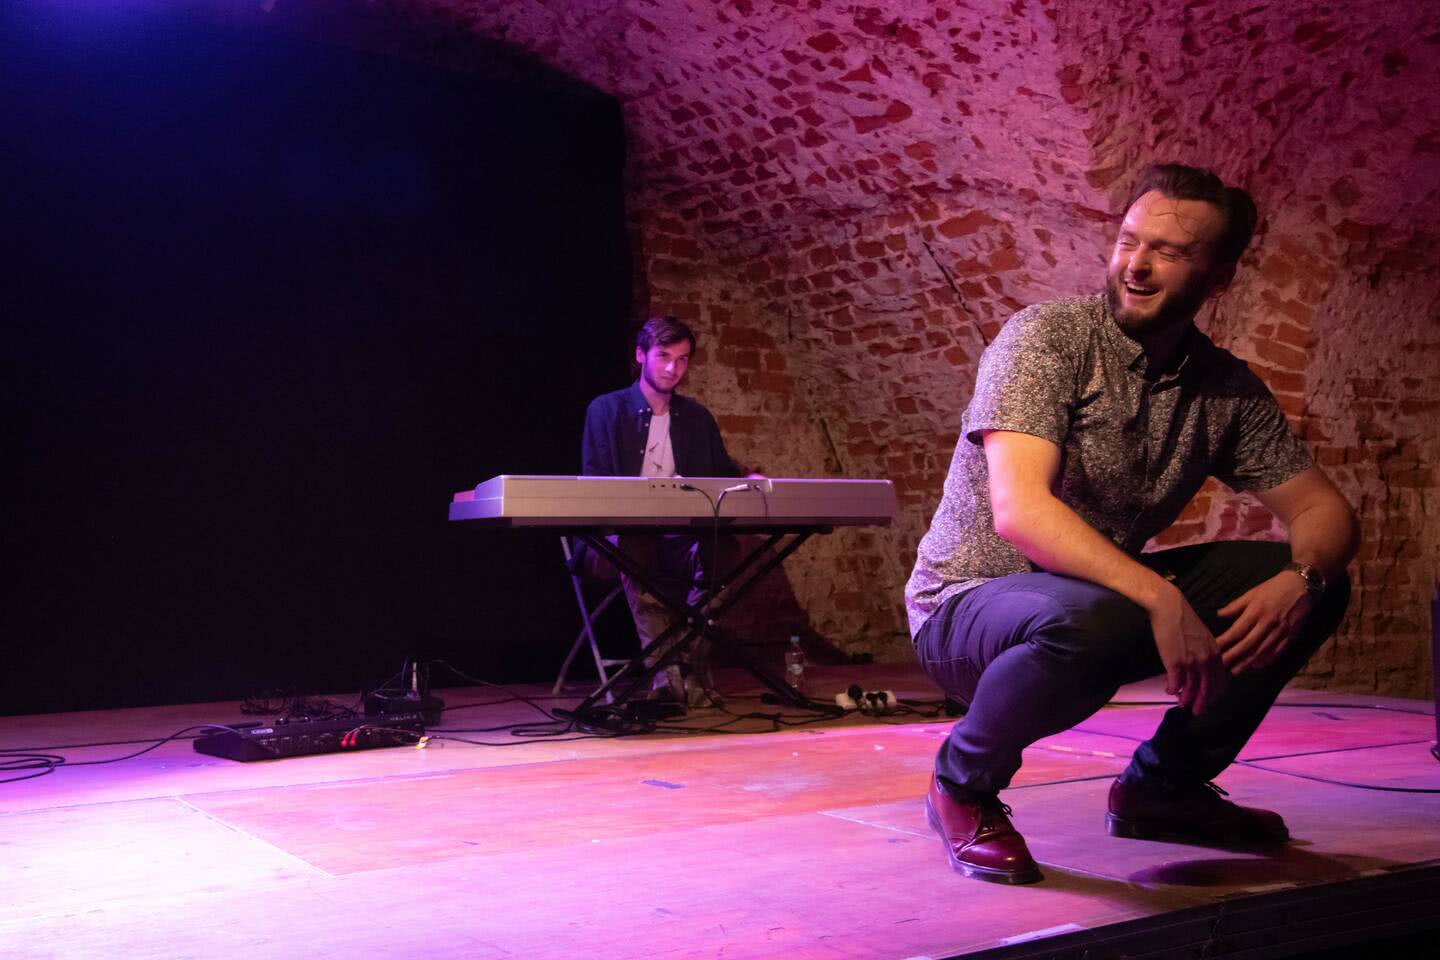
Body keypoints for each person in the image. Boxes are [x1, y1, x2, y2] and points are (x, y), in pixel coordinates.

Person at [905, 163, 1359, 885]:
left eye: (1169, 252)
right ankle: (961, 784)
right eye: (1128, 241)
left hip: (1097, 604)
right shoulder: (1048, 338)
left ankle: (1163, 787)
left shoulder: (1222, 386)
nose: (1137, 266)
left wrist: (1302, 577)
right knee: (1094, 618)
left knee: (1312, 585)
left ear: (1218, 279)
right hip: (967, 606)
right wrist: (1159, 597)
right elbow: (1021, 512)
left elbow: (1323, 510)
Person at [581, 315, 746, 707]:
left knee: (724, 551)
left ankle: (683, 663)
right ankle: (668, 678)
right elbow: (595, 484)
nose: (674, 369)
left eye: (682, 359)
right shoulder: (606, 410)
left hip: (680, 537)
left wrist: (749, 480)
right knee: (636, 546)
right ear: (641, 355)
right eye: (664, 357)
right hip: (621, 539)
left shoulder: (697, 417)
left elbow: (721, 478)